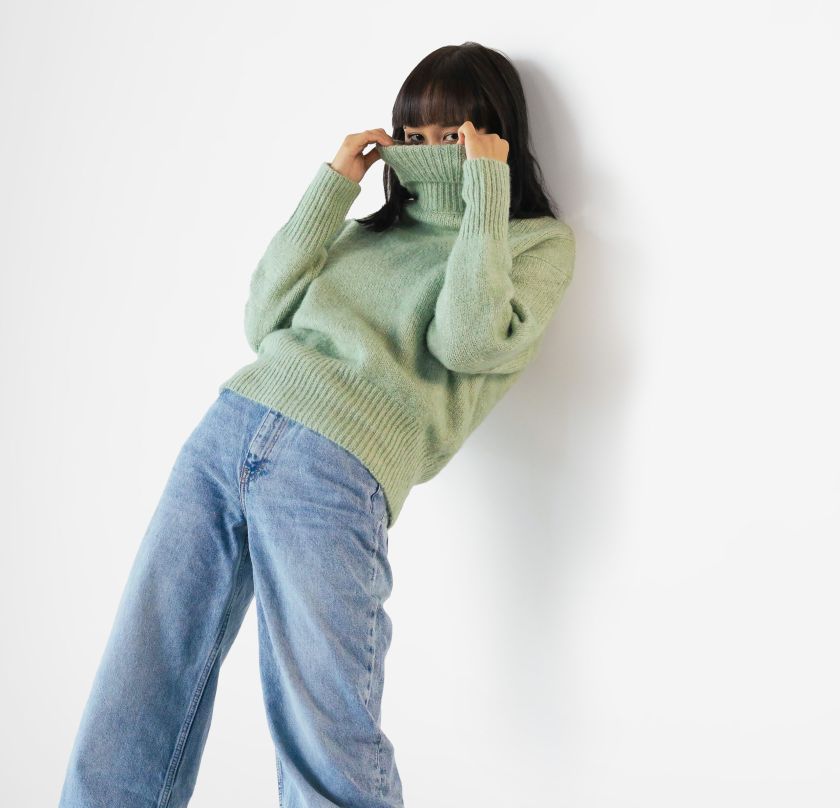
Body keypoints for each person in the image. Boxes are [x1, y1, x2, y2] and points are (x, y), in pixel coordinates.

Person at [57, 41, 576, 808]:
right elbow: (264, 318)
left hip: (336, 467)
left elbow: (466, 342)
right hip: (229, 427)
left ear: (495, 138)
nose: (431, 154)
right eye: (414, 136)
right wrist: (333, 187)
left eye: (455, 137)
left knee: (324, 724)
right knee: (143, 673)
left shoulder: (532, 245)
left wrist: (486, 194)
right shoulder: (367, 234)